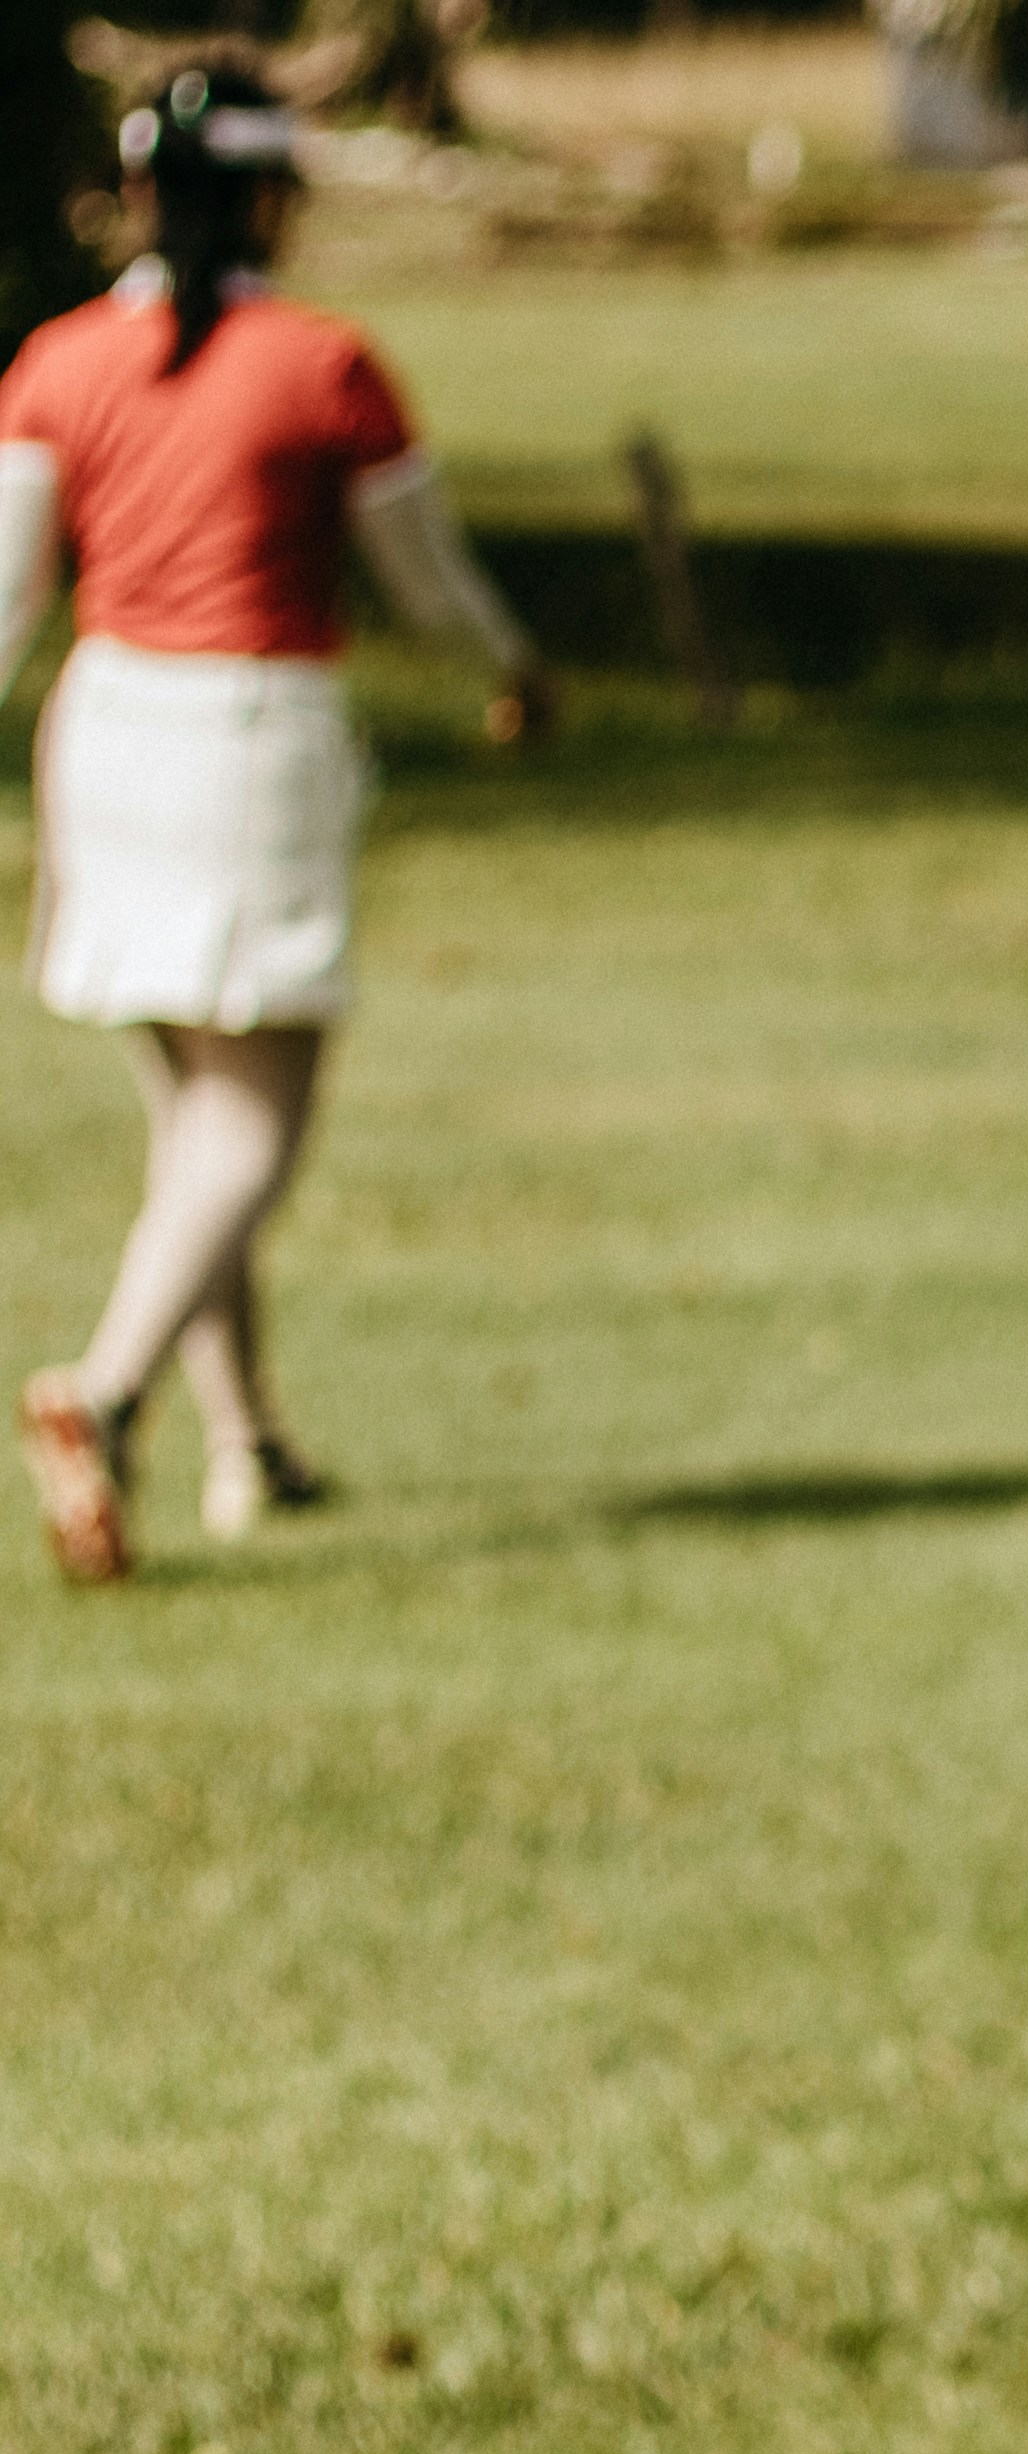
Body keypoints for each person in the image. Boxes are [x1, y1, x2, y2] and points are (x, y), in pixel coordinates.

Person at [6, 61, 548, 1587]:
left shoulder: (54, 364)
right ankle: (105, 1398)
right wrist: (514, 673)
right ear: (268, 197)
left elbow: (5, 598)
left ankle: (249, 1448)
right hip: (253, 738)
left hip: (105, 733)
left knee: (193, 1121)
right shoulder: (324, 365)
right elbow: (428, 583)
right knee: (255, 1121)